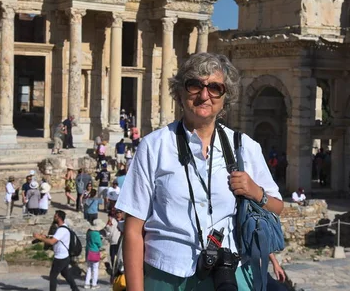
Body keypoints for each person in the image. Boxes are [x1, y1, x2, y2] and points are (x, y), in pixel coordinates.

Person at [116, 52, 283, 289]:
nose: (204, 95)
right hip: (166, 274)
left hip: (226, 274)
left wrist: (256, 192)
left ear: (226, 96)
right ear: (180, 92)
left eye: (215, 88)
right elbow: (133, 229)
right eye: (195, 85)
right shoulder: (154, 146)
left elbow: (278, 206)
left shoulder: (244, 146)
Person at [32, 210, 80, 291]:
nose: (54, 217)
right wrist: (44, 237)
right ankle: (75, 289)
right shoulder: (63, 228)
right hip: (64, 256)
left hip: (60, 258)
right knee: (66, 274)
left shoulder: (61, 230)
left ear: (59, 218)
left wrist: (40, 237)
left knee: (53, 276)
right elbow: (55, 239)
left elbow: (51, 242)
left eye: (55, 216)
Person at [102, 209, 124, 274]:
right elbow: (107, 229)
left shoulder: (123, 221)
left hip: (120, 243)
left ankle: (119, 271)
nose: (118, 214)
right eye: (117, 213)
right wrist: (108, 224)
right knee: (112, 258)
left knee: (120, 258)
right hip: (113, 242)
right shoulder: (112, 221)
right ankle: (114, 271)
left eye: (119, 213)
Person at [85, 219, 104, 289]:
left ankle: (86, 283)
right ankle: (94, 284)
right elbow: (99, 244)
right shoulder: (96, 233)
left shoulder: (88, 232)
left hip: (88, 251)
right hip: (94, 252)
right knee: (95, 269)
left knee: (89, 268)